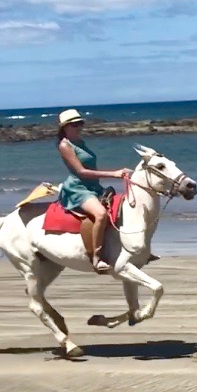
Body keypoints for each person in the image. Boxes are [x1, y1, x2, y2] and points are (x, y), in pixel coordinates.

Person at [55, 109, 129, 273]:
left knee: (121, 208)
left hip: (93, 186)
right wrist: (114, 174)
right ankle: (96, 258)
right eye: (75, 124)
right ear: (65, 127)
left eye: (80, 123)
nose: (79, 127)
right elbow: (81, 172)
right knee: (101, 214)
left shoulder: (80, 142)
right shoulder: (65, 145)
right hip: (78, 188)